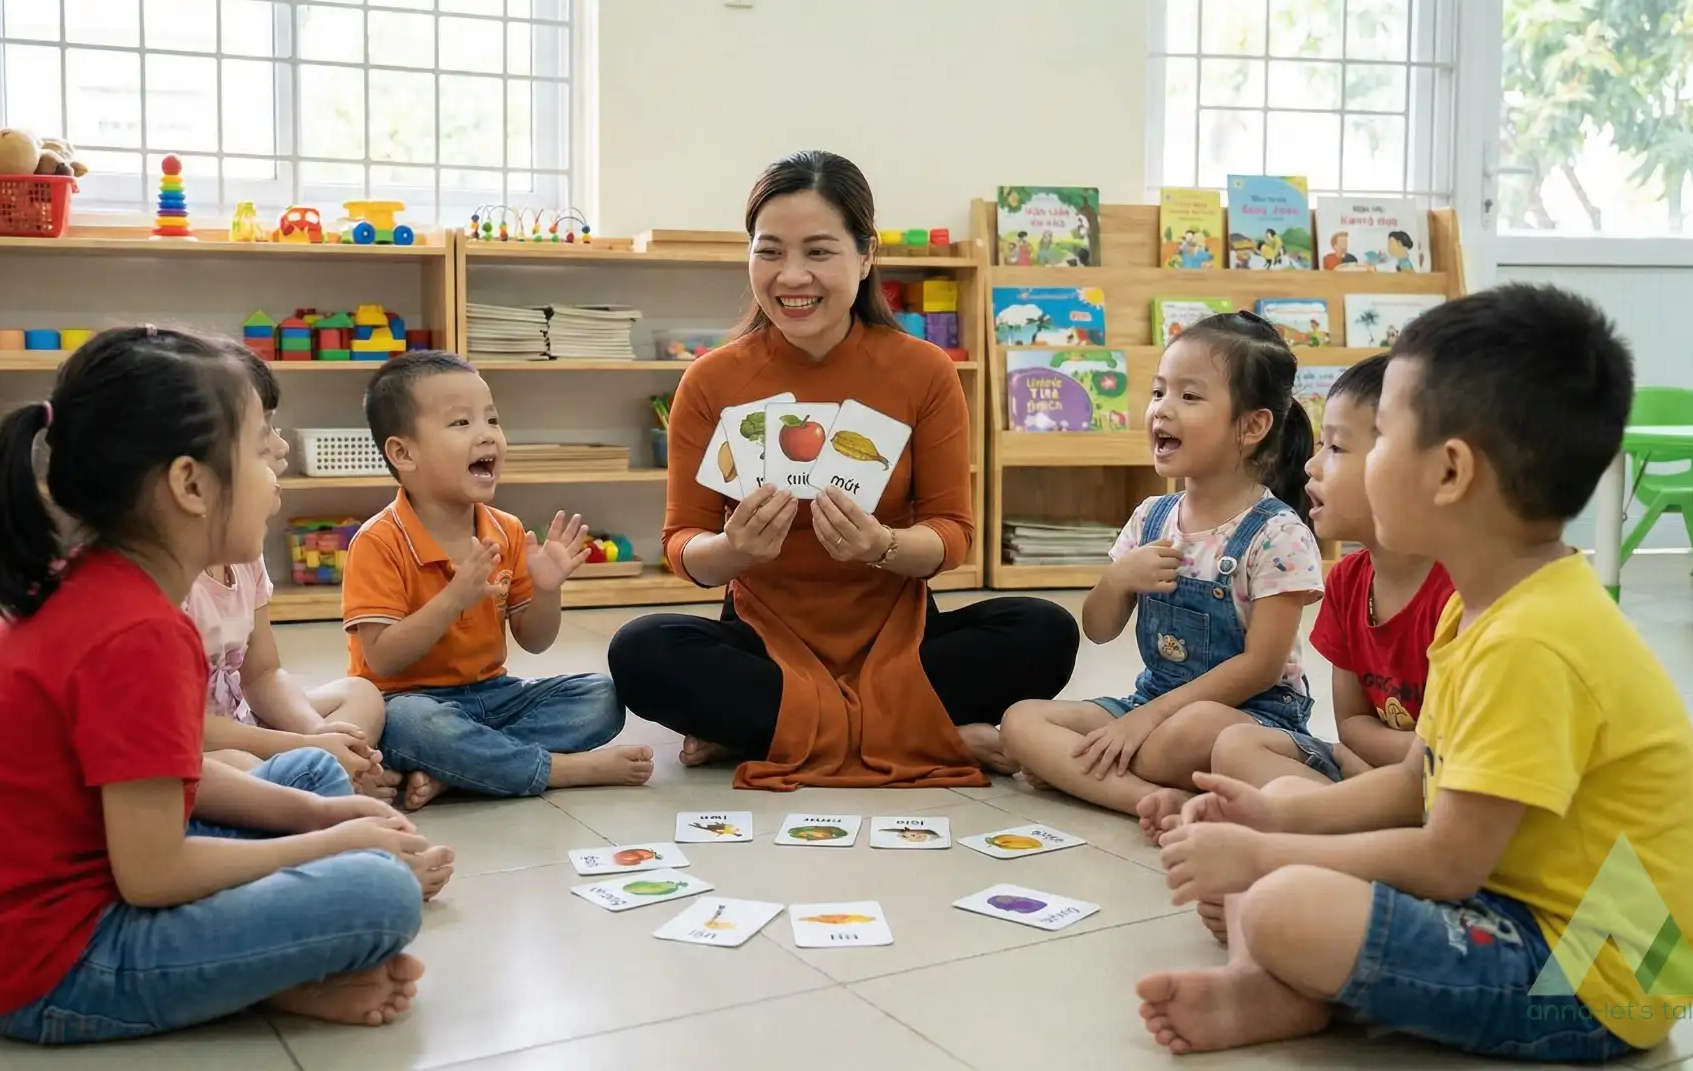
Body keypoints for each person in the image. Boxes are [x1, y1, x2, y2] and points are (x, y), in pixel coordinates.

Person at [1140, 284, 1693, 1061]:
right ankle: (1277, 979)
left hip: (1600, 977)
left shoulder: (1532, 640)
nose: (1326, 462)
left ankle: (1278, 974)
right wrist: (1274, 822)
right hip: (1513, 901)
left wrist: (1265, 856)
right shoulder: (1482, 605)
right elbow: (1418, 783)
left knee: (1282, 899)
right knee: (1278, 802)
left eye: (1369, 440)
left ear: (1449, 473)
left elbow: (1445, 859)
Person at [0, 327, 432, 1044]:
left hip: (76, 885)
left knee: (311, 773)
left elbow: (168, 780)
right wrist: (329, 846)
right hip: (44, 964)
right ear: (190, 484)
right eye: (259, 447)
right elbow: (153, 872)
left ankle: (269, 965)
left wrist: (322, 818)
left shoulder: (113, 591)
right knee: (380, 896)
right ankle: (269, 976)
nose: (278, 464)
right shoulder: (138, 633)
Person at [605, 149, 1078, 789]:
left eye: (819, 252)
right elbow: (682, 545)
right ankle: (923, 732)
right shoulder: (712, 380)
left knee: (1044, 630)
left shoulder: (923, 371)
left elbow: (952, 536)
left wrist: (881, 546)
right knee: (641, 651)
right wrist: (734, 550)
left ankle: (773, 731)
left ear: (865, 255)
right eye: (769, 251)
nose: (791, 276)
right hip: (762, 637)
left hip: (901, 637)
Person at [999, 312, 1327, 824]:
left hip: (1247, 717)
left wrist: (1144, 723)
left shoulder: (1278, 534)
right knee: (1021, 720)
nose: (1162, 411)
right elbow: (1099, 628)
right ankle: (1155, 799)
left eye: (1189, 397)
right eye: (1158, 393)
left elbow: (1261, 668)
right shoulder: (1150, 517)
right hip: (1151, 701)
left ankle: (1094, 772)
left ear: (1253, 425)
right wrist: (1118, 579)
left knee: (1180, 736)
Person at [344, 352, 651, 811]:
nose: (487, 434)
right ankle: (554, 770)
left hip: (494, 696)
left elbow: (536, 641)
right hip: (407, 702)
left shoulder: (505, 529)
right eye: (460, 423)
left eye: (492, 419)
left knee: (601, 697)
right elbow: (383, 660)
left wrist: (547, 589)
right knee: (414, 724)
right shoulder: (378, 541)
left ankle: (462, 770)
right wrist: (454, 598)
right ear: (403, 453)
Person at [1208, 353, 1455, 792]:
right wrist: (1373, 761)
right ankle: (1343, 818)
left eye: (1337, 448)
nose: (1311, 464)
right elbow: (1352, 727)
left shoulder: (1459, 594)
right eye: (1321, 445)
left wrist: (1384, 760)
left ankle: (1342, 822)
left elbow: (1453, 756)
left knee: (1283, 796)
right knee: (1235, 746)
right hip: (1386, 774)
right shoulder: (1347, 579)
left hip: (1456, 789)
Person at [190, 355, 399, 803]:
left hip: (245, 729)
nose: (282, 450)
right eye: (265, 433)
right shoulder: (168, 587)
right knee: (240, 769)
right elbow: (184, 731)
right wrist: (306, 749)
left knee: (360, 693)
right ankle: (317, 783)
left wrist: (320, 735)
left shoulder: (241, 555)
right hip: (199, 750)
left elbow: (262, 672)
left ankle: (323, 777)